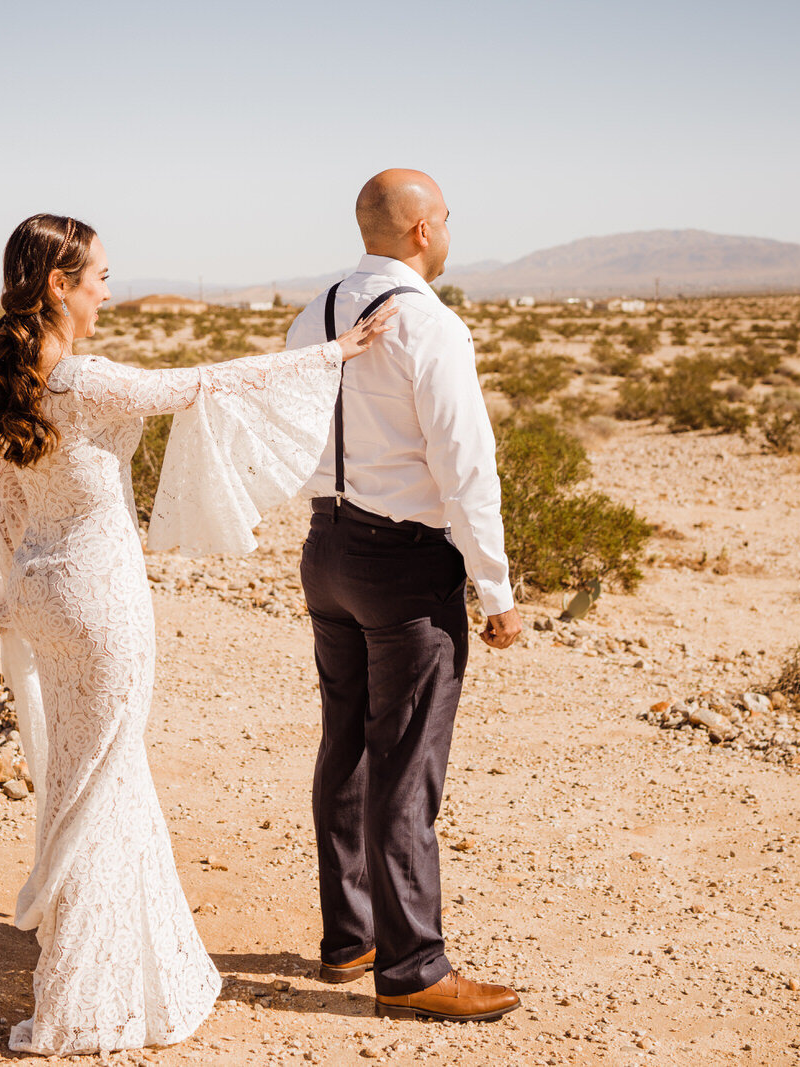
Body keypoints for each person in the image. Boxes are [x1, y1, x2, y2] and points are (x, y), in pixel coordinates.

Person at [0, 213, 396, 1056]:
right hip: (99, 599)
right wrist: (328, 357)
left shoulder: (25, 378)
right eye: (96, 275)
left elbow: (7, 498)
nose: (106, 288)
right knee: (106, 781)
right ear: (58, 285)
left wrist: (0, 592)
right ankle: (86, 996)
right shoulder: (83, 378)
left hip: (40, 594)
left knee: (81, 770)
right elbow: (205, 383)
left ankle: (112, 957)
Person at [286, 169, 524, 1022]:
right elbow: (466, 466)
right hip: (404, 566)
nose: (451, 231)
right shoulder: (430, 322)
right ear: (422, 230)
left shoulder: (308, 315)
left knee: (345, 738)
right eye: (449, 218)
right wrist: (495, 588)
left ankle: (350, 937)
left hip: (327, 547)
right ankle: (414, 964)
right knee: (407, 760)